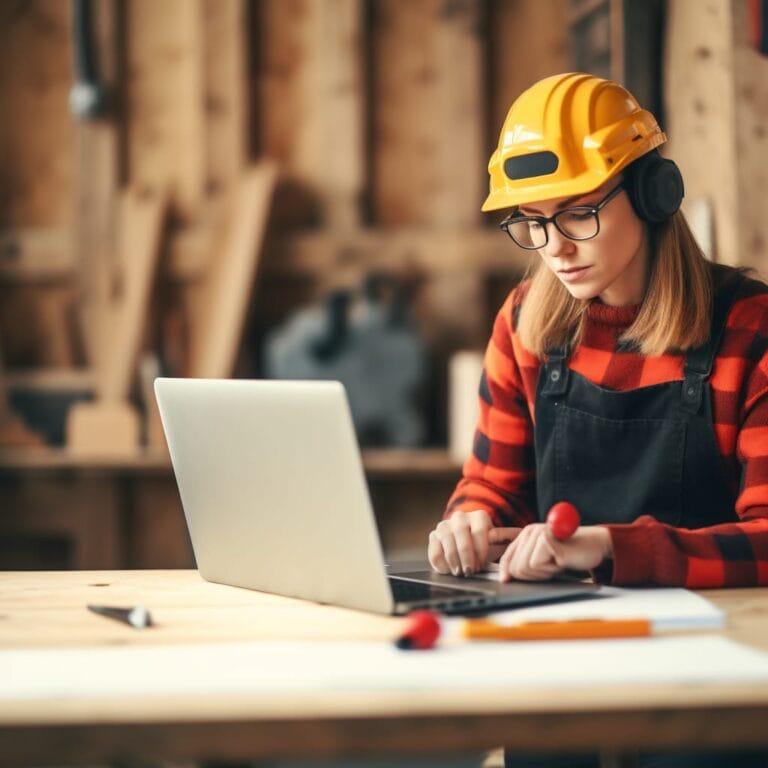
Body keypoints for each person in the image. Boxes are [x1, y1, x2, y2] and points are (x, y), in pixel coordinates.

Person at [426, 70, 768, 768]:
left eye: (578, 212)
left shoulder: (750, 330)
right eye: (531, 221)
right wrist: (471, 517)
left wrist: (612, 546)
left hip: (721, 665)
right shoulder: (522, 324)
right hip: (563, 652)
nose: (554, 246)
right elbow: (493, 486)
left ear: (652, 194)